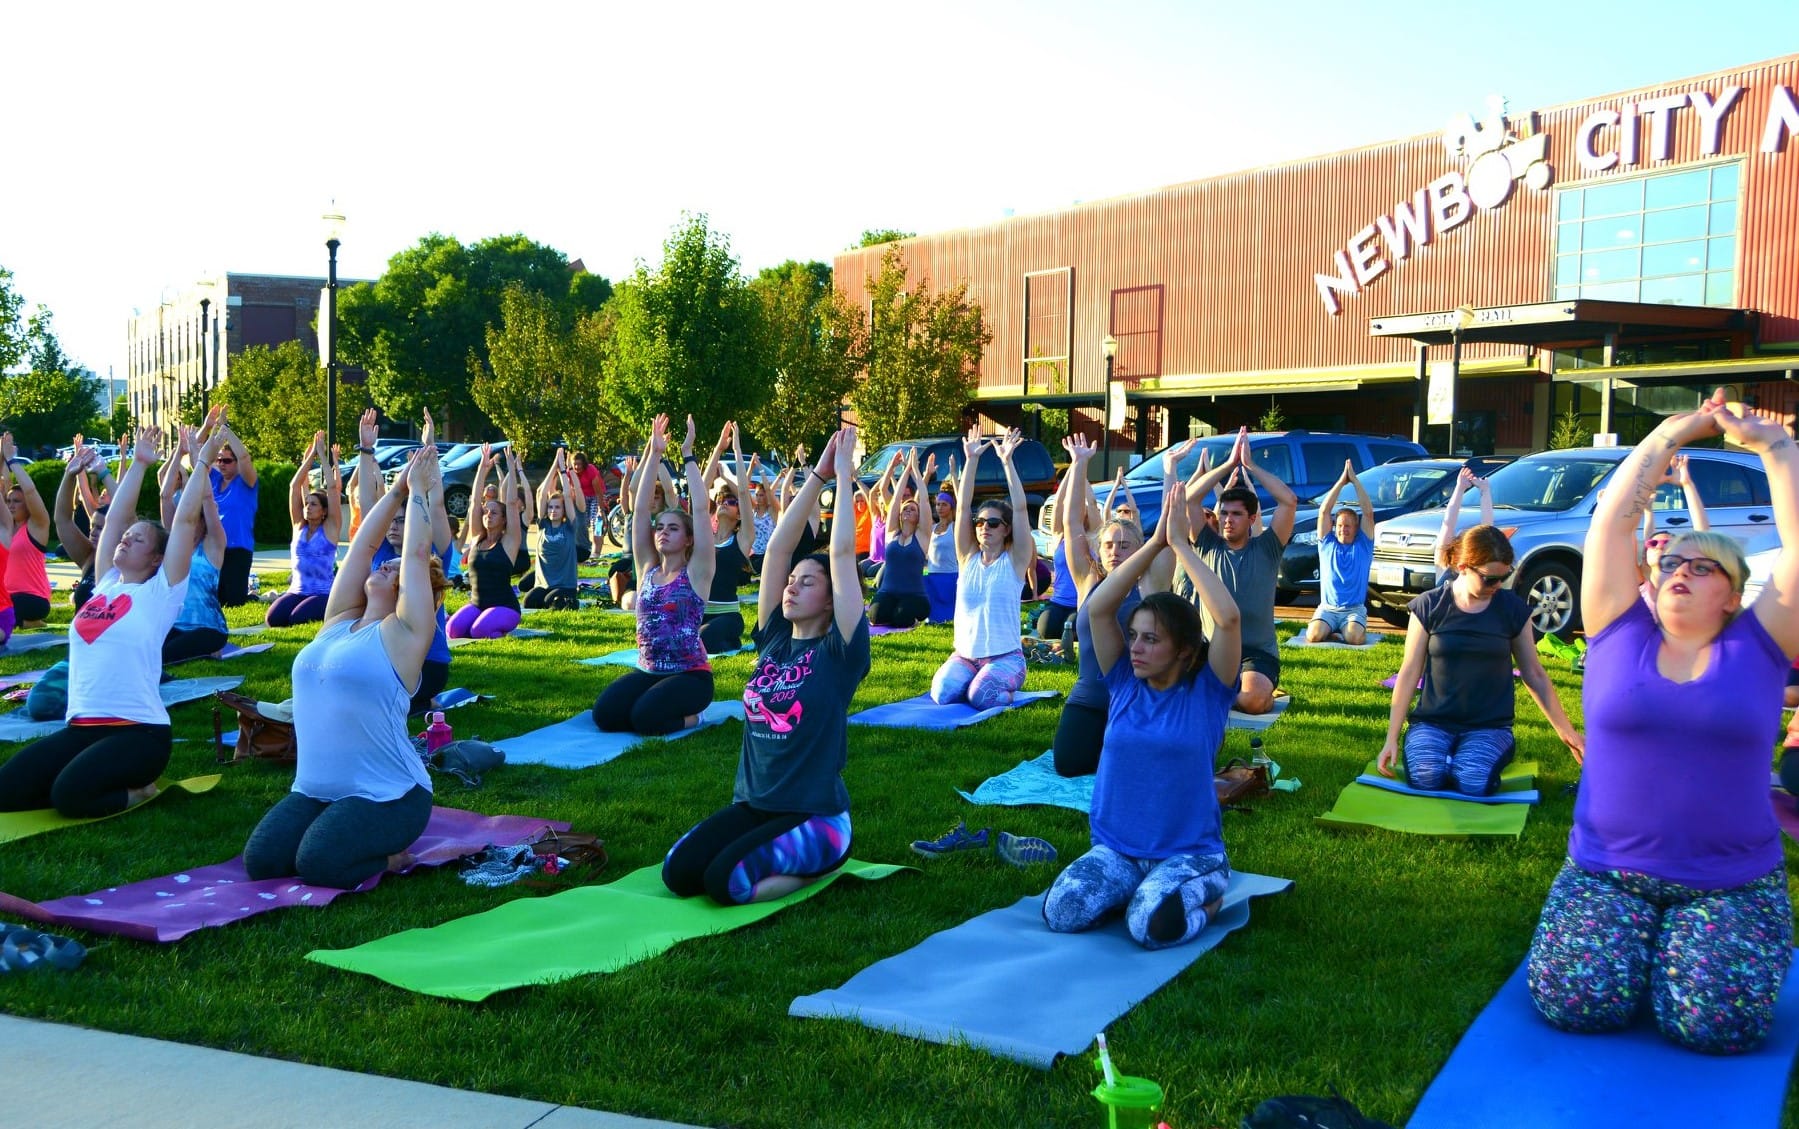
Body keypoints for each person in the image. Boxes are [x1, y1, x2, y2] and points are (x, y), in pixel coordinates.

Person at [1527, 390, 1797, 1055]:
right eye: (1672, 561)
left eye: (1701, 566)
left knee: (1715, 1026)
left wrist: (1777, 449)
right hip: (1604, 871)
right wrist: (1667, 436)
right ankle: (1646, 942)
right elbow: (1610, 526)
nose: (1679, 571)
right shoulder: (1617, 632)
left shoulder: (1757, 645)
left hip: (1729, 881)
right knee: (1577, 1002)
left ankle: (1675, 945)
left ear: (1732, 594)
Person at [662, 424, 868, 906]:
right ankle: (775, 853)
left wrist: (842, 477)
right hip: (757, 805)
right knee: (679, 872)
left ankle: (823, 868)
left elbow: (840, 554)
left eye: (807, 583)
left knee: (726, 884)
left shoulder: (841, 653)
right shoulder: (774, 638)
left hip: (815, 816)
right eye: (791, 581)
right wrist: (816, 474)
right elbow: (775, 548)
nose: (791, 587)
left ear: (832, 598)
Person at [1042, 483, 1241, 949]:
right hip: (1118, 849)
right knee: (1062, 911)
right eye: (1134, 636)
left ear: (1184, 651)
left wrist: (1182, 547)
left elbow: (1228, 620)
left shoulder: (1208, 693)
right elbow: (1099, 608)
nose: (1136, 647)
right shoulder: (1124, 682)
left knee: (1149, 928)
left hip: (1188, 852)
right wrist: (1153, 544)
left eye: (1151, 639)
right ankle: (1133, 888)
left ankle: (1211, 891)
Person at [243, 444, 447, 890]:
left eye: (397, 572)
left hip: (391, 795)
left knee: (320, 864)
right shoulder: (337, 622)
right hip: (316, 790)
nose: (388, 565)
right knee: (263, 861)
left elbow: (415, 554)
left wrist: (419, 492)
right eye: (387, 565)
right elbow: (362, 546)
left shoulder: (407, 634)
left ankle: (391, 857)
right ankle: (338, 829)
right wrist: (395, 489)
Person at [0, 425, 219, 818]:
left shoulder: (161, 593)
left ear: (156, 559)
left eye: (138, 540)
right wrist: (137, 463)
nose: (125, 540)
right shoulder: (104, 584)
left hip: (139, 732)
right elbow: (115, 520)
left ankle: (140, 791)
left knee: (71, 797)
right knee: (6, 791)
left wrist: (201, 462)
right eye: (126, 537)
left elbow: (185, 523)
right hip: (82, 727)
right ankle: (82, 775)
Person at [1377, 525, 1583, 794]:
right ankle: (1449, 760)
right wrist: (1391, 737)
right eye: (1489, 579)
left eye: (1504, 577)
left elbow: (1534, 674)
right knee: (1426, 778)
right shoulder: (1429, 606)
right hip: (1433, 723)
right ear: (1463, 566)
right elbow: (1409, 672)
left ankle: (1464, 761)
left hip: (1489, 726)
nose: (1498, 585)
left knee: (1473, 782)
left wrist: (1567, 732)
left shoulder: (1512, 610)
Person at [1050, 435, 1176, 777]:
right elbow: (1072, 524)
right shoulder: (1087, 582)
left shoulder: (1150, 584)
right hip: (1089, 698)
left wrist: (1169, 473)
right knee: (1069, 765)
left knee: (1139, 771)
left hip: (1137, 701)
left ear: (1138, 550)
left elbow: (1166, 534)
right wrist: (1079, 465)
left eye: (1124, 544)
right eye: (1108, 544)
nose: (1115, 550)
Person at [593, 414, 717, 736]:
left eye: (673, 528)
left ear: (688, 539)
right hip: (649, 671)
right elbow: (641, 509)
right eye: (660, 528)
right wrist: (655, 452)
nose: (662, 532)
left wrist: (688, 454)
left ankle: (697, 718)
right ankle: (652, 705)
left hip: (691, 676)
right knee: (605, 715)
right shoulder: (647, 567)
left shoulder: (698, 572)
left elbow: (701, 511)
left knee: (645, 720)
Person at [1178, 426, 1297, 714]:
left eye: (1236, 514)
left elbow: (1289, 501)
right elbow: (1190, 499)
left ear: (1252, 518)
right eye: (1224, 513)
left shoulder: (1267, 547)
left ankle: (1220, 692)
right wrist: (1228, 464)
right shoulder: (1207, 544)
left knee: (1255, 701)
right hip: (1209, 649)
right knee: (1167, 687)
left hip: (1255, 654)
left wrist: (1251, 466)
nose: (1228, 519)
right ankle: (1218, 688)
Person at [930, 427, 1036, 709]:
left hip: (1006, 658)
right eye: (980, 523)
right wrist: (972, 459)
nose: (984, 527)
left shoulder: (1015, 561)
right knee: (941, 694)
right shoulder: (967, 558)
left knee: (981, 697)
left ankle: (1000, 688)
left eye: (993, 523)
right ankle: (975, 679)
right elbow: (962, 508)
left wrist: (1007, 460)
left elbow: (1022, 509)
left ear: (1006, 529)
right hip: (965, 656)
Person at [358, 410, 455, 714]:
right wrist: (365, 451)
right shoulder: (382, 553)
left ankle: (419, 697)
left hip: (429, 662)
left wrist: (430, 454)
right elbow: (368, 505)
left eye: (403, 520)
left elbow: (436, 505)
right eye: (393, 521)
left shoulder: (432, 556)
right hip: (385, 650)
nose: (395, 526)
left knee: (377, 701)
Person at [155, 432, 229, 665]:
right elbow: (165, 496)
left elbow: (207, 499)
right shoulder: (175, 543)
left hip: (208, 628)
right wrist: (179, 451)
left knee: (163, 658)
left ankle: (210, 649)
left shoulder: (213, 544)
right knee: (141, 652)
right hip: (175, 625)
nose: (182, 517)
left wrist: (201, 462)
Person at [266, 432, 343, 627]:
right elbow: (295, 486)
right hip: (296, 590)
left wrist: (323, 456)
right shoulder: (299, 526)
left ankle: (325, 608)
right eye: (306, 503)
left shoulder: (330, 528)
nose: (307, 507)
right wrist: (309, 459)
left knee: (296, 619)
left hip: (322, 593)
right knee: (273, 619)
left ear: (324, 511)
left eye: (313, 504)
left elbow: (333, 489)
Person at [447, 444, 524, 640]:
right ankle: (484, 620)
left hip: (505, 607)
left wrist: (511, 469)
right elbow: (474, 504)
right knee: (453, 631)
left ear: (504, 519)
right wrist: (483, 468)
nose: (488, 514)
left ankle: (499, 627)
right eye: (486, 511)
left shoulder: (509, 542)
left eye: (494, 512)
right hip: (476, 604)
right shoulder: (476, 538)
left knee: (478, 631)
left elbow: (513, 504)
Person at [1305, 461, 1377, 644]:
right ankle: (1336, 632)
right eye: (1339, 525)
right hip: (1328, 609)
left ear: (1355, 528)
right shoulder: (1327, 543)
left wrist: (1354, 481)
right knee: (1313, 636)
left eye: (1347, 526)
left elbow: (1368, 514)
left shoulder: (1363, 545)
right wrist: (1340, 482)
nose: (1342, 529)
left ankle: (1344, 631)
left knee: (1355, 638)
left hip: (1353, 609)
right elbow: (1324, 512)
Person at [698, 422, 751, 653]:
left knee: (702, 639)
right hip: (699, 613)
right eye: (720, 500)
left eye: (730, 502)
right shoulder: (703, 536)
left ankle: (726, 640)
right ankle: (727, 644)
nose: (723, 503)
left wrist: (737, 451)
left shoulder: (741, 540)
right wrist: (718, 449)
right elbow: (699, 490)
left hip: (728, 615)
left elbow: (744, 494)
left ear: (739, 514)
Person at [199, 406, 259, 607]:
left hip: (238, 548)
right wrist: (208, 427)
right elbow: (197, 453)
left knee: (232, 601)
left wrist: (225, 429)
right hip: (215, 546)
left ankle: (250, 594)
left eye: (226, 460)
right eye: (219, 460)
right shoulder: (215, 480)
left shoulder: (247, 483)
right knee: (212, 598)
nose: (221, 464)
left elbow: (244, 457)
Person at [870, 449, 936, 628]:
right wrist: (902, 470)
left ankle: (913, 615)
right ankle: (892, 608)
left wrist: (916, 471)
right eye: (905, 508)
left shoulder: (922, 536)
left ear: (919, 515)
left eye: (913, 509)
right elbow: (896, 500)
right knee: (875, 618)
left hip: (914, 596)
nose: (908, 509)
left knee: (901, 620)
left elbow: (923, 500)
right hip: (888, 592)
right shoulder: (892, 532)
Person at [52, 440, 116, 611]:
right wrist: (69, 475)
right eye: (93, 526)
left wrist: (104, 473)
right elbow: (62, 519)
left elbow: (124, 512)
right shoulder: (89, 557)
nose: (94, 532)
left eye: (101, 528)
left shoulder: (130, 563)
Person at [522, 449, 585, 611]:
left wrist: (563, 470)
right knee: (529, 602)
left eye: (557, 507)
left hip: (565, 585)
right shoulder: (544, 524)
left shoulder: (569, 527)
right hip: (544, 584)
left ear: (563, 510)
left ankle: (570, 600)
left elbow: (567, 494)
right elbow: (542, 493)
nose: (553, 510)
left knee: (551, 602)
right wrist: (554, 465)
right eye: (550, 507)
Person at [2, 432, 54, 626]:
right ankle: (24, 622)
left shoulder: (37, 526)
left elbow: (30, 491)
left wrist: (12, 460)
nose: (11, 505)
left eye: (17, 501)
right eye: (9, 501)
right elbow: (3, 485)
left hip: (33, 599)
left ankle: (27, 621)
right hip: (7, 597)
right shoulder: (6, 528)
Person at [1435, 468, 1492, 581]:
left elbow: (1448, 523)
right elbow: (1488, 529)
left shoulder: (1443, 563)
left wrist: (1460, 488)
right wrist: (1484, 490)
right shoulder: (1477, 570)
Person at [923, 483, 959, 625]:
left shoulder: (955, 527)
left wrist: (954, 477)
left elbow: (963, 507)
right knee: (933, 618)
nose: (939, 508)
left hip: (950, 576)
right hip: (933, 576)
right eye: (937, 504)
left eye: (944, 504)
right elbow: (921, 501)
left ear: (951, 506)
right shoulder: (931, 527)